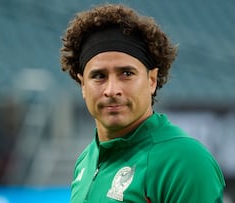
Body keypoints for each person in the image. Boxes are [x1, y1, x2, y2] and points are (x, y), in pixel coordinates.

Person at [59, 3, 226, 203]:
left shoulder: (185, 161)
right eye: (99, 76)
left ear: (151, 80)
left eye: (127, 74)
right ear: (83, 85)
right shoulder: (86, 160)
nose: (112, 90)